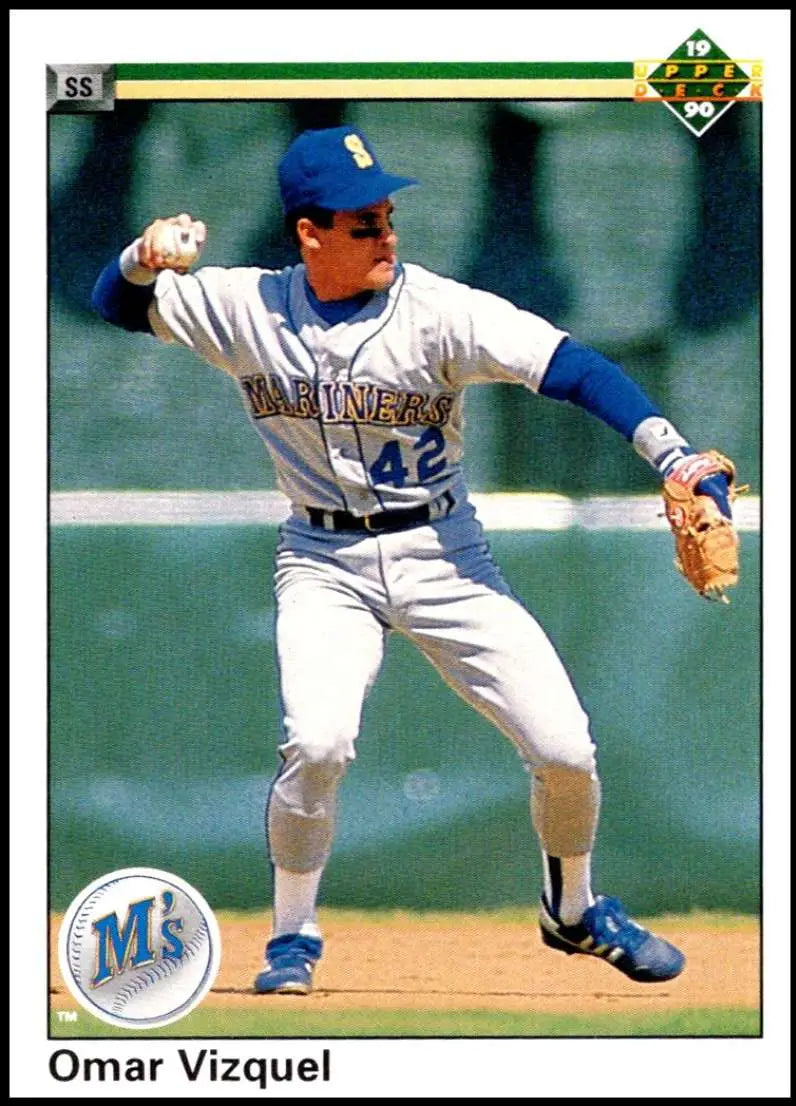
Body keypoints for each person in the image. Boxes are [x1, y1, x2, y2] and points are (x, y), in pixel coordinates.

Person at [92, 124, 734, 995]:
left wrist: (675, 456)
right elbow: (117, 304)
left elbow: (574, 369)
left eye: (389, 215)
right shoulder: (246, 306)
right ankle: (292, 938)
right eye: (363, 223)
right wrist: (141, 254)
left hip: (443, 552)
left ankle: (574, 910)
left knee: (566, 752)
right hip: (322, 558)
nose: (386, 235)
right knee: (317, 742)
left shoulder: (441, 310)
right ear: (309, 234)